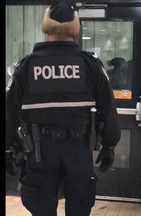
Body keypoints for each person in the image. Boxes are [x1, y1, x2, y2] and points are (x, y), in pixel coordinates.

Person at [5, 3, 121, 216]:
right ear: (75, 27)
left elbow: (9, 113)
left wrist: (7, 149)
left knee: (41, 209)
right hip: (79, 151)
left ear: (46, 27)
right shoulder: (90, 66)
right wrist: (109, 145)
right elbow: (109, 109)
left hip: (39, 153)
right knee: (79, 208)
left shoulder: (26, 67)